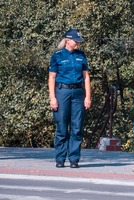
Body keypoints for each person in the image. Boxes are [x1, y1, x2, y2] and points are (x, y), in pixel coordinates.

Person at [48, 29, 91, 168]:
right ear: (67, 40)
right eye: (75, 40)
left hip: (78, 92)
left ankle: (74, 159)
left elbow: (86, 77)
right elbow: (52, 77)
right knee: (61, 126)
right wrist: (52, 98)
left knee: (76, 127)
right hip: (62, 92)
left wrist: (88, 97)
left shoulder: (81, 55)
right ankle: (60, 159)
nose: (78, 42)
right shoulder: (58, 55)